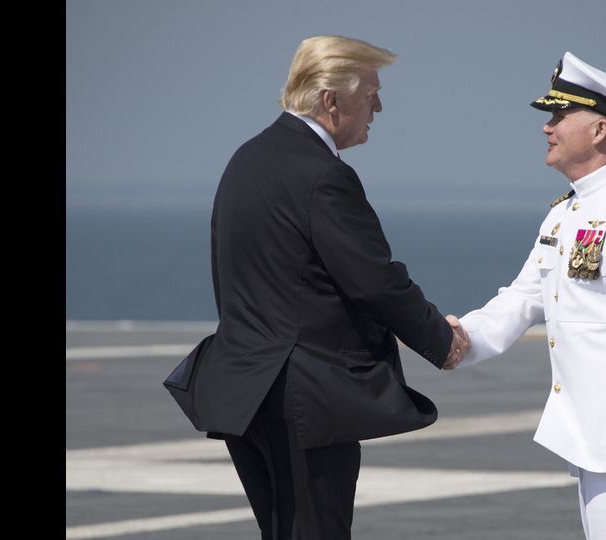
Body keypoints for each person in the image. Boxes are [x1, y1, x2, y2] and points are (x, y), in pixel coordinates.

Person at [163, 35, 469, 539]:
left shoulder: (247, 159)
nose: (379, 106)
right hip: (305, 396)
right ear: (331, 100)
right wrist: (441, 339)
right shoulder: (325, 175)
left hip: (246, 390)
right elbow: (375, 279)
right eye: (370, 93)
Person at [445, 51, 606, 539]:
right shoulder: (565, 213)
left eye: (561, 115)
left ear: (600, 131)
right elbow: (523, 298)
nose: (548, 127)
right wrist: (456, 339)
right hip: (595, 440)